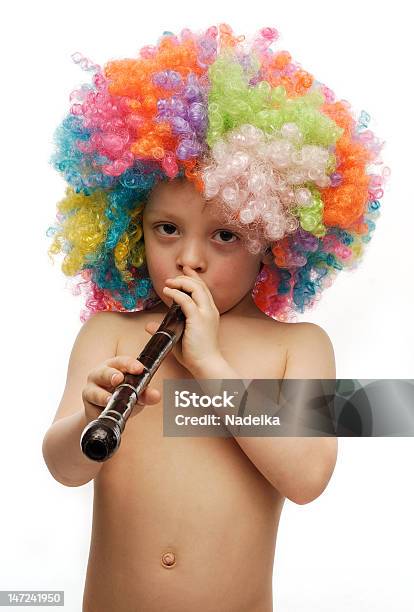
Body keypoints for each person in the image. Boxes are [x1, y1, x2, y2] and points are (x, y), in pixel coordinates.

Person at [42, 24, 387, 611]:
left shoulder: (300, 346)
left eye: (225, 234)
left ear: (275, 240)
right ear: (132, 225)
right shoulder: (109, 332)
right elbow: (64, 468)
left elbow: (307, 479)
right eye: (166, 229)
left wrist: (209, 363)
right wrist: (88, 419)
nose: (190, 257)